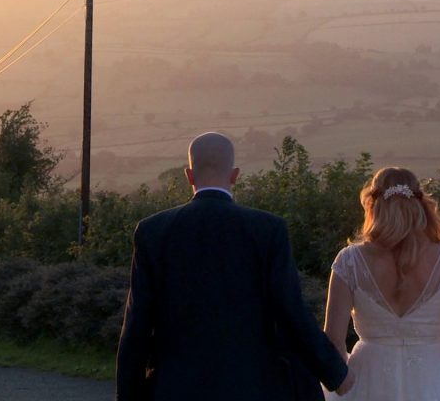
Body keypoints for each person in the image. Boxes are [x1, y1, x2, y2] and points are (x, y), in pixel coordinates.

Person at [116, 132, 354, 401]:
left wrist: (127, 393)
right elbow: (290, 311)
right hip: (252, 386)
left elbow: (137, 323)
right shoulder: (267, 229)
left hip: (175, 388)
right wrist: (335, 372)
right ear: (235, 174)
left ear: (189, 175)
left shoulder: (152, 231)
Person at [322, 167, 440, 400]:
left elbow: (334, 338)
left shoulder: (349, 260)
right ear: (420, 203)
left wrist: (343, 381)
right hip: (436, 372)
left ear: (372, 204)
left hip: (369, 374)